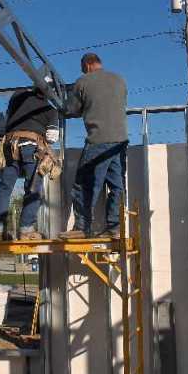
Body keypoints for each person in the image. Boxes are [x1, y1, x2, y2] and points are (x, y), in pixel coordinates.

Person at [59, 53, 128, 239]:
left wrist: (62, 103)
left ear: (88, 65)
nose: (83, 71)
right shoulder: (119, 80)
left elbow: (70, 109)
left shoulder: (83, 81)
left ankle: (82, 227)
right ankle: (115, 228)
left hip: (98, 140)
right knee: (117, 186)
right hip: (120, 142)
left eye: (83, 68)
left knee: (84, 183)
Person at [0, 83, 59, 240]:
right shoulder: (50, 110)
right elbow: (52, 138)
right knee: (33, 188)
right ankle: (26, 229)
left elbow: (8, 115)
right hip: (31, 146)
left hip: (9, 146)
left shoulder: (17, 96)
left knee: (5, 187)